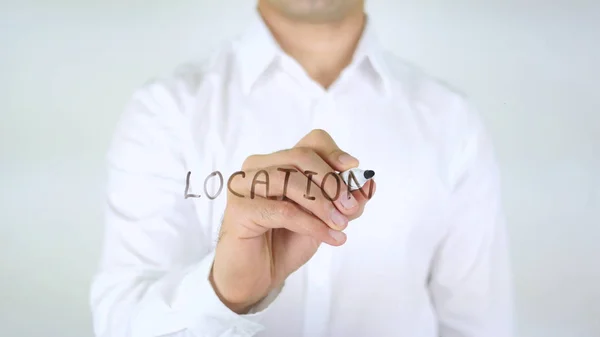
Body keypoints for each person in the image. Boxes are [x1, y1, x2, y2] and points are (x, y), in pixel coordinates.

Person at [89, 0, 514, 336]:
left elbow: (480, 325)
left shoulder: (453, 123)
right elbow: (121, 324)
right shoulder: (165, 112)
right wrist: (225, 292)